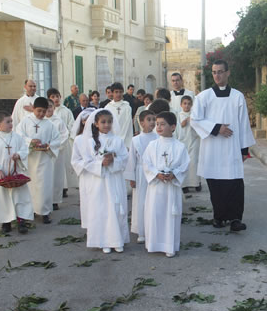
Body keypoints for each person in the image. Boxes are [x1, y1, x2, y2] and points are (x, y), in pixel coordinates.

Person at [191, 59, 255, 232]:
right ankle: (219, 217)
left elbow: (243, 124)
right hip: (212, 148)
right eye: (214, 72)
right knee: (216, 184)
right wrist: (217, 128)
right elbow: (195, 120)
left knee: (234, 183)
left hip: (232, 147)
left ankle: (235, 219)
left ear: (228, 73)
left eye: (220, 71)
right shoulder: (203, 97)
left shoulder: (237, 96)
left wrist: (244, 149)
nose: (217, 75)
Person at [80, 109, 130, 253]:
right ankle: (103, 241)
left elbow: (125, 158)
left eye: (109, 122)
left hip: (114, 179)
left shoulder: (118, 140)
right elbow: (87, 162)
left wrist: (114, 160)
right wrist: (101, 164)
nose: (106, 125)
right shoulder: (90, 142)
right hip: (99, 181)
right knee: (102, 209)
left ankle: (117, 240)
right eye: (103, 122)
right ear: (96, 124)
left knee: (115, 208)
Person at [142, 111, 190, 258]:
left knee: (170, 215)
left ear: (173, 126)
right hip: (156, 187)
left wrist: (174, 174)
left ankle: (170, 245)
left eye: (163, 124)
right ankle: (153, 244)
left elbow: (185, 164)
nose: (159, 127)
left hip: (171, 188)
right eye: (157, 124)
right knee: (155, 214)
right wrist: (157, 173)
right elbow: (146, 163)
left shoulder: (179, 146)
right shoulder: (152, 145)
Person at [0, 111, 33, 234]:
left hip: (15, 173)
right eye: (7, 122)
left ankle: (21, 221)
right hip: (1, 175)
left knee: (19, 197)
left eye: (11, 121)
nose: (11, 124)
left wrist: (19, 155)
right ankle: (6, 221)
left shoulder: (16, 137)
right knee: (3, 199)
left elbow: (24, 149)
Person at [16, 97, 61, 224]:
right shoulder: (25, 121)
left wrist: (48, 146)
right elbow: (19, 135)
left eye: (44, 111)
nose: (41, 114)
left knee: (44, 186)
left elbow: (57, 140)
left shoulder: (49, 124)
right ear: (33, 109)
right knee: (31, 186)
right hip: (30, 160)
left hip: (44, 160)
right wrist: (30, 141)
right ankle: (30, 210)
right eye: (39, 111)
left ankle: (45, 212)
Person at [124, 110, 158, 244]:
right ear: (141, 122)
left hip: (154, 172)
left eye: (153, 120)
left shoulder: (157, 138)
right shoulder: (135, 139)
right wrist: (131, 177)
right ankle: (142, 231)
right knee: (141, 201)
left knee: (153, 200)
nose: (152, 122)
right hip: (140, 172)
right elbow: (131, 159)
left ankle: (153, 229)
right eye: (149, 120)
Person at [47, 88, 76, 197]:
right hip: (49, 146)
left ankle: (64, 187)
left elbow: (71, 124)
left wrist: (67, 136)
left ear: (60, 97)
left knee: (63, 166)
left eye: (57, 96)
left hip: (63, 143)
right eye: (53, 97)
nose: (55, 99)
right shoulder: (47, 112)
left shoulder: (66, 111)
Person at [70, 108, 95, 229]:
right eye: (86, 120)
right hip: (86, 175)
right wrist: (87, 165)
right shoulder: (79, 139)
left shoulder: (100, 137)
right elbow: (75, 160)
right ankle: (89, 225)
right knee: (88, 200)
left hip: (99, 175)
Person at [46, 100, 69, 211]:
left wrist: (54, 146)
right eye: (46, 107)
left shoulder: (58, 121)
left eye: (50, 107)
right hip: (43, 154)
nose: (48, 109)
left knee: (56, 177)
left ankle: (55, 200)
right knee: (44, 178)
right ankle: (44, 201)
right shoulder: (38, 122)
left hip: (56, 154)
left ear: (54, 108)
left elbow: (64, 135)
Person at [178, 96, 201, 193]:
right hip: (183, 141)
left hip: (194, 140)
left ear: (191, 105)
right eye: (185, 103)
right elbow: (181, 125)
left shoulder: (194, 114)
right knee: (184, 163)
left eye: (189, 104)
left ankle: (196, 183)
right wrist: (186, 120)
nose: (186, 106)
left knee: (194, 163)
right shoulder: (179, 114)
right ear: (181, 105)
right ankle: (185, 185)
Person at [105, 82, 134, 147]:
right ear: (112, 93)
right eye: (116, 92)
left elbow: (128, 124)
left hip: (126, 139)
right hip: (112, 139)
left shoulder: (127, 107)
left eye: (120, 92)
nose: (118, 94)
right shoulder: (108, 108)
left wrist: (121, 139)